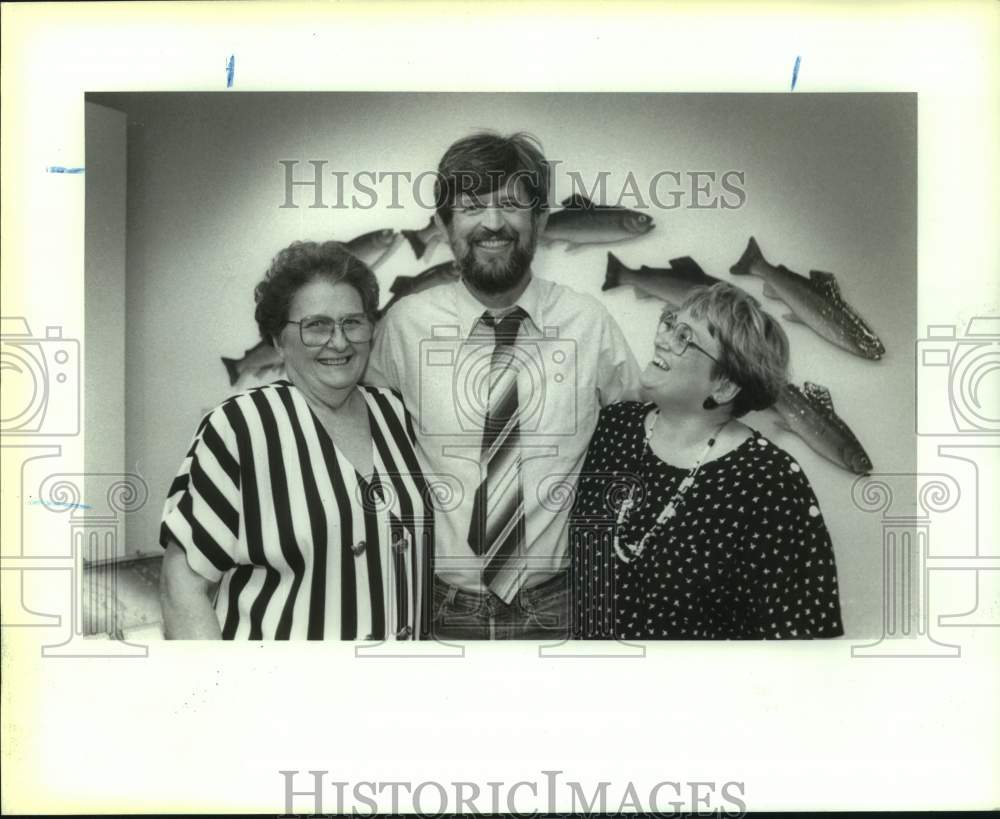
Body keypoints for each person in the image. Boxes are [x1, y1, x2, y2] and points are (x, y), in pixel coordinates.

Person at [365, 132, 641, 639]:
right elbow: (362, 447)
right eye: (471, 207)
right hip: (435, 606)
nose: (493, 222)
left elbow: (643, 442)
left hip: (563, 605)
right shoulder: (403, 328)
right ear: (447, 227)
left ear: (539, 221)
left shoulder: (590, 324)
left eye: (512, 204)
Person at [159, 241, 433, 640]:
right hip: (281, 694)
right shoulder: (241, 427)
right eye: (316, 325)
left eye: (353, 322)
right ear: (277, 340)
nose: (339, 342)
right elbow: (181, 589)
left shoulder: (398, 415)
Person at [570, 282, 844, 639]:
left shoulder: (770, 481)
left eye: (686, 337)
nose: (663, 338)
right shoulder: (616, 427)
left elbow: (800, 639)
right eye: (669, 322)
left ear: (725, 387)